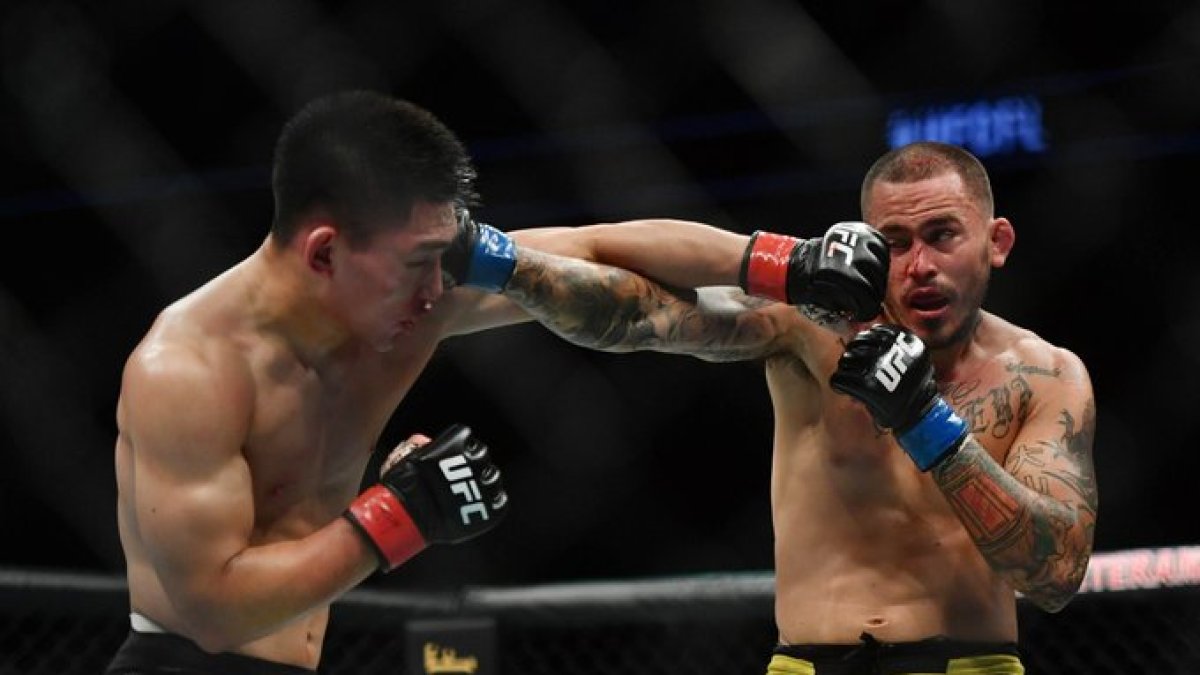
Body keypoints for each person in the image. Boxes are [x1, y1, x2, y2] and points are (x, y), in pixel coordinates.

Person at [105, 90, 703, 673]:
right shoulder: (184, 370)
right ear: (325, 253)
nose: (436, 288)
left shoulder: (386, 312)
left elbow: (589, 249)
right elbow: (214, 617)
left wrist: (779, 266)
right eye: (418, 263)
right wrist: (400, 514)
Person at [461, 141, 1096, 674]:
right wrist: (496, 261)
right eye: (896, 243)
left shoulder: (1043, 375)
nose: (920, 266)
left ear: (997, 241)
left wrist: (925, 420)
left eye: (942, 235)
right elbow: (644, 313)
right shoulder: (809, 327)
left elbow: (1056, 575)